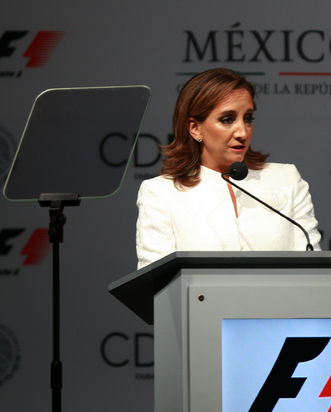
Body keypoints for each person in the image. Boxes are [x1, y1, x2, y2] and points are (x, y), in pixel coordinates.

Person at [135, 68, 321, 268]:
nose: (242, 132)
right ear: (195, 128)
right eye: (227, 120)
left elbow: (312, 268)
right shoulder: (161, 193)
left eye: (248, 118)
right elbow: (157, 281)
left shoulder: (286, 179)